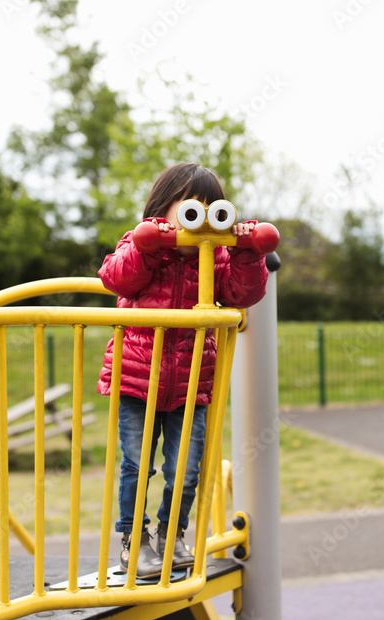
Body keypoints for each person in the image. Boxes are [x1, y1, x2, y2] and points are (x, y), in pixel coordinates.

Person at [97, 162, 269, 578]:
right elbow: (115, 279)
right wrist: (147, 246)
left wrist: (246, 252)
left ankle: (171, 537)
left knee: (186, 469)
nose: (202, 217)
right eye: (192, 207)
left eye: (213, 208)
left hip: (193, 381)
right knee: (137, 465)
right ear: (164, 207)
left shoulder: (219, 256)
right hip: (138, 378)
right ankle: (133, 543)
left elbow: (242, 293)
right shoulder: (140, 244)